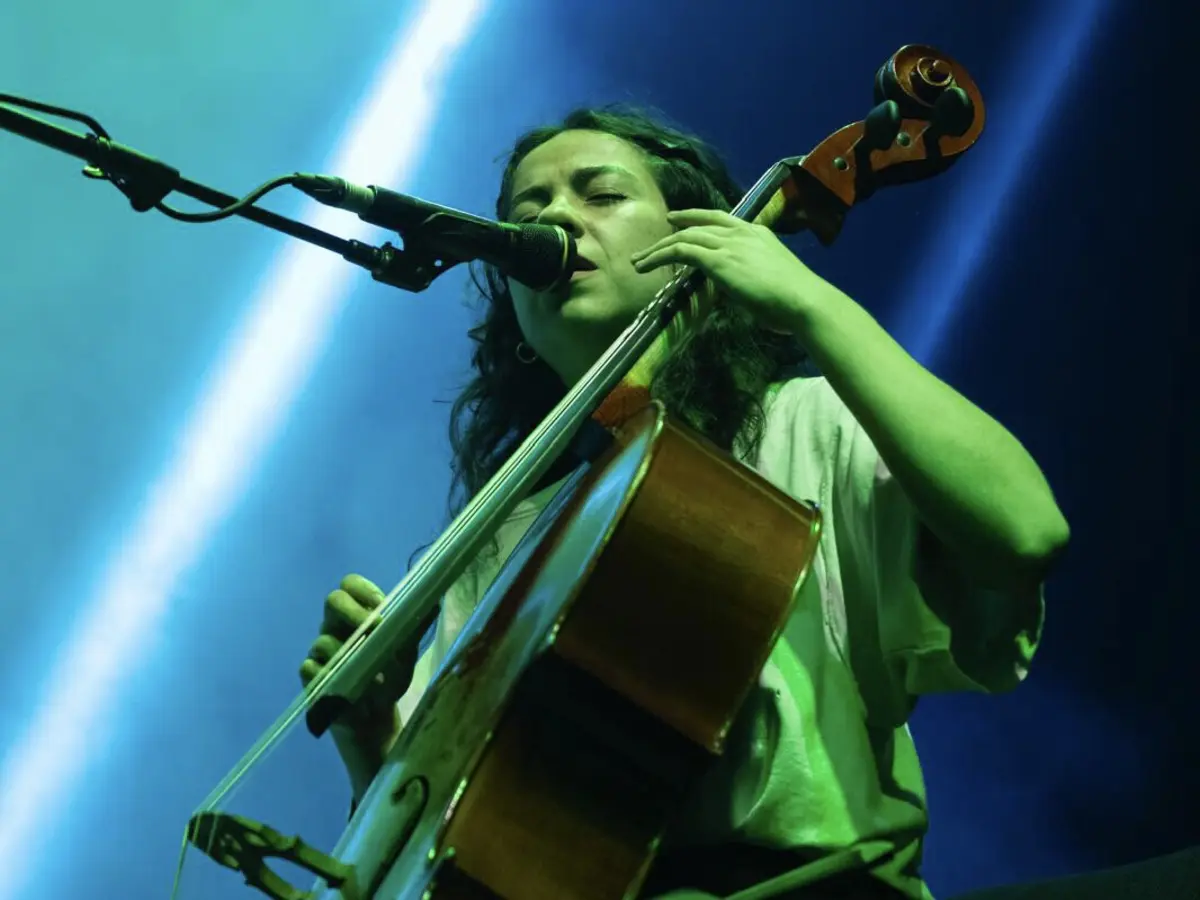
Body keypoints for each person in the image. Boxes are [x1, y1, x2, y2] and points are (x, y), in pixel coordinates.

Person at [298, 106, 1069, 900]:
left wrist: (810, 302)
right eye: (530, 210)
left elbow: (1024, 530)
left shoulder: (803, 426)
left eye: (601, 195)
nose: (556, 219)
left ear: (699, 238)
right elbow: (444, 842)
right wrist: (370, 735)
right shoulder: (502, 532)